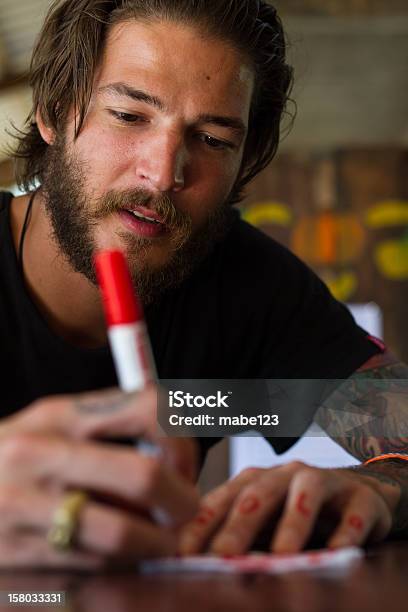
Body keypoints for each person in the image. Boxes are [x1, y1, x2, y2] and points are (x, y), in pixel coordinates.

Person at [0, 0, 407, 568]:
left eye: (213, 140)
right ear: (53, 111)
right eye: (129, 115)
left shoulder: (249, 283)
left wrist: (377, 489)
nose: (164, 173)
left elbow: (400, 428)